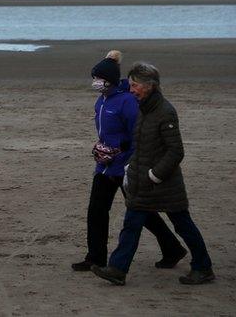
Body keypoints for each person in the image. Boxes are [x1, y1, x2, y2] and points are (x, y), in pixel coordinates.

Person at [92, 62, 215, 286]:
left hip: (164, 183)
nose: (131, 90)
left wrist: (154, 175)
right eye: (130, 85)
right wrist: (130, 167)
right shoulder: (141, 109)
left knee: (183, 224)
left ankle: (203, 267)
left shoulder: (165, 112)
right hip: (141, 182)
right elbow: (139, 145)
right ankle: (117, 270)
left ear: (150, 86)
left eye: (135, 86)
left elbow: (176, 151)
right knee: (131, 225)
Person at [71, 51, 185, 272]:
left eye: (98, 79)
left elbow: (138, 134)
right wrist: (100, 148)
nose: (95, 82)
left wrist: (120, 150)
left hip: (125, 166)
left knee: (143, 213)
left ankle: (172, 248)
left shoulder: (127, 102)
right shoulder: (101, 101)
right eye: (94, 78)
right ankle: (95, 257)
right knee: (96, 210)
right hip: (104, 167)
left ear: (110, 81)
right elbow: (105, 132)